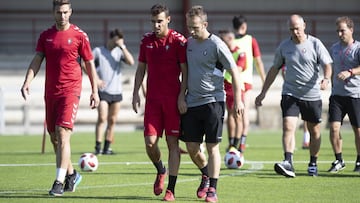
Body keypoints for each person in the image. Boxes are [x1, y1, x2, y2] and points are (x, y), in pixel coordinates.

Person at [20, 0, 99, 196]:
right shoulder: (46, 36)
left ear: (70, 12)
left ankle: (58, 181)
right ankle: (72, 174)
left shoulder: (79, 35)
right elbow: (37, 59)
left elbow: (89, 64)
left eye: (65, 12)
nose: (62, 16)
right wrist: (27, 81)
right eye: (58, 12)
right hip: (51, 93)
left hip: (71, 90)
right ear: (53, 12)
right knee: (55, 138)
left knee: (63, 133)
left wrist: (94, 91)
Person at [255, 14, 332, 177]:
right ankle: (288, 162)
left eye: (297, 28)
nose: (295, 32)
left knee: (314, 131)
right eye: (291, 29)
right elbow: (274, 69)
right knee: (288, 126)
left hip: (311, 95)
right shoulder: (284, 47)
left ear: (304, 25)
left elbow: (327, 64)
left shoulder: (315, 44)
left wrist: (326, 78)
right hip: (290, 93)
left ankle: (313, 163)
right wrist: (263, 93)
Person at [181, 5, 244, 202]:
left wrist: (239, 100)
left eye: (195, 27)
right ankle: (205, 174)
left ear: (205, 24)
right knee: (192, 147)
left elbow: (234, 71)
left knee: (212, 148)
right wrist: (181, 96)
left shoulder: (217, 44)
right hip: (192, 102)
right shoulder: (189, 43)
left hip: (213, 102)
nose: (191, 31)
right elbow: (185, 73)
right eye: (189, 27)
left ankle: (213, 190)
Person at [131, 4, 187, 201]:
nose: (156, 25)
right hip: (153, 101)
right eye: (153, 21)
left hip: (172, 101)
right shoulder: (146, 41)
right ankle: (160, 169)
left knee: (173, 143)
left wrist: (182, 95)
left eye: (160, 21)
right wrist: (136, 92)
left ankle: (171, 190)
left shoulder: (179, 41)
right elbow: (140, 69)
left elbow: (185, 71)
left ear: (168, 20)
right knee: (150, 143)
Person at [93, 28, 135, 155]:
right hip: (103, 91)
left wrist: (122, 47)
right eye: (116, 40)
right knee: (102, 117)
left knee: (112, 120)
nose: (117, 43)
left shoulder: (119, 51)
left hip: (116, 92)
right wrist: (96, 79)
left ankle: (107, 148)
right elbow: (86, 63)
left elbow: (131, 62)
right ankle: (98, 147)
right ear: (111, 39)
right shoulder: (98, 51)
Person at [327, 16, 360, 173]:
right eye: (338, 31)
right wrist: (327, 81)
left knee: (358, 130)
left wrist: (351, 72)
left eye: (343, 30)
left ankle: (359, 161)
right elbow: (331, 69)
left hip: (355, 95)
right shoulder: (334, 48)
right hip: (337, 96)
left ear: (351, 30)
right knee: (334, 128)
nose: (340, 34)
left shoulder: (358, 48)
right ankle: (339, 160)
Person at [232, 15, 266, 153]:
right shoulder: (251, 40)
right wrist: (264, 80)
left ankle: (234, 143)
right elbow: (258, 62)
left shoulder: (230, 41)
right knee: (244, 113)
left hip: (232, 82)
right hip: (246, 83)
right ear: (244, 26)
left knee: (234, 115)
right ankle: (242, 143)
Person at [218, 29, 245, 152]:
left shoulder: (240, 53)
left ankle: (237, 144)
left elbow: (238, 70)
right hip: (225, 87)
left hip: (236, 88)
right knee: (229, 115)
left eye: (223, 40)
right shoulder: (222, 53)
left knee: (237, 115)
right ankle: (231, 143)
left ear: (229, 39)